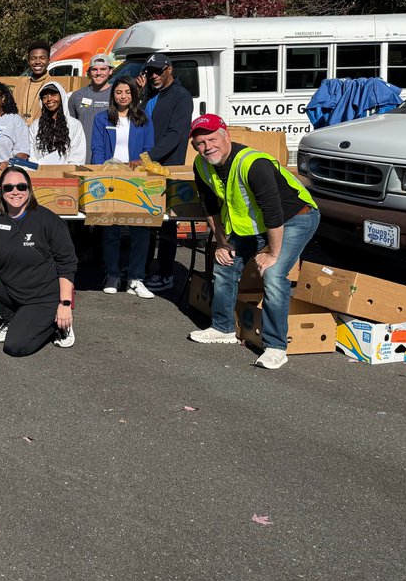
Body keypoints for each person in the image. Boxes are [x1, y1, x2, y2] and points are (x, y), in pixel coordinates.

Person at [187, 114, 320, 370]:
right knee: (224, 264)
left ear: (227, 136)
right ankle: (222, 328)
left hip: (295, 218)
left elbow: (274, 212)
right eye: (200, 143)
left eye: (212, 139)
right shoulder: (202, 165)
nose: (207, 147)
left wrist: (272, 252)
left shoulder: (254, 163)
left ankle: (276, 347)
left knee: (273, 274)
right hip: (257, 224)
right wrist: (223, 243)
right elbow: (210, 207)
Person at [0, 165, 78, 356]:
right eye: (8, 187)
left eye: (21, 187)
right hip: (12, 290)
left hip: (43, 297)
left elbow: (67, 264)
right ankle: (13, 318)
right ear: (1, 191)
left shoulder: (48, 220)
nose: (15, 192)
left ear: (29, 189)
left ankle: (56, 324)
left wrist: (65, 305)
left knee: (15, 347)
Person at [91, 79, 157, 299]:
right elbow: (97, 149)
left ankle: (136, 279)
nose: (122, 96)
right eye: (118, 92)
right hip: (110, 178)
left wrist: (139, 163)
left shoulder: (143, 120)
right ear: (113, 95)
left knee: (141, 229)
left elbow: (149, 150)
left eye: (127, 92)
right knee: (111, 229)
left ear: (134, 95)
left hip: (136, 180)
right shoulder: (102, 118)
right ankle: (113, 274)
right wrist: (102, 171)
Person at [141, 52, 193, 292]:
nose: (154, 75)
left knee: (167, 222)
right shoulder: (153, 94)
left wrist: (147, 156)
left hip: (166, 166)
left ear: (169, 69)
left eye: (158, 71)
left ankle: (166, 273)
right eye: (150, 71)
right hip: (147, 167)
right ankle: (146, 268)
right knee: (148, 218)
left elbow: (176, 134)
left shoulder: (181, 96)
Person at [27, 81, 86, 165]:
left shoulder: (75, 125)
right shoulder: (36, 125)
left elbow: (78, 157)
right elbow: (32, 153)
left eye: (53, 94)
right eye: (45, 97)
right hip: (40, 173)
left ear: (61, 97)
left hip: (66, 174)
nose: (49, 99)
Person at [68, 56, 113, 157]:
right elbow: (69, 126)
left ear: (110, 71)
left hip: (109, 155)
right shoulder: (77, 96)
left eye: (103, 69)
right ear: (89, 72)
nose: (98, 73)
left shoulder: (117, 95)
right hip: (83, 154)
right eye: (94, 69)